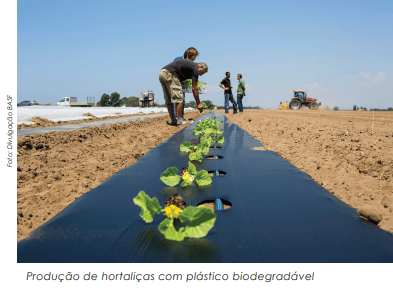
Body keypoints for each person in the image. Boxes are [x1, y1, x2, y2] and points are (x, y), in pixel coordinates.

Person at [159, 59, 207, 126]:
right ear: (201, 66)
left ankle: (173, 120)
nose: (201, 74)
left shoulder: (191, 66)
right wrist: (198, 103)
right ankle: (179, 121)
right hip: (171, 74)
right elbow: (194, 88)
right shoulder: (195, 68)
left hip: (162, 73)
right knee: (179, 99)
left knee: (169, 99)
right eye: (203, 72)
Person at [173, 48, 200, 119]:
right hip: (175, 81)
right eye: (193, 57)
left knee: (182, 100)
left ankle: (180, 117)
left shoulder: (190, 64)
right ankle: (176, 117)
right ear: (188, 55)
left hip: (182, 83)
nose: (194, 59)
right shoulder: (178, 59)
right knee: (177, 100)